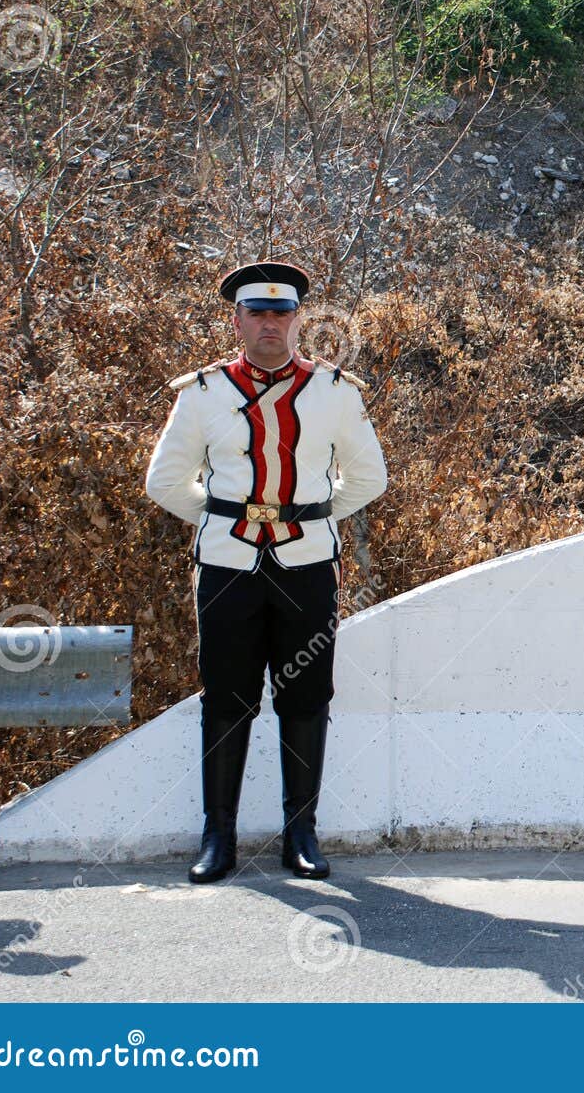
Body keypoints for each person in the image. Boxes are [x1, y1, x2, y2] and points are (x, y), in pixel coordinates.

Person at [145, 262, 387, 883]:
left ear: (299, 319)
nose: (270, 324)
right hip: (228, 565)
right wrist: (225, 519)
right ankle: (217, 837)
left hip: (306, 565)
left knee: (307, 697)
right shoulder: (202, 394)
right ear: (238, 320)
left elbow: (369, 478)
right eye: (258, 313)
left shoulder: (336, 392)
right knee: (226, 695)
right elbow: (165, 481)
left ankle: (300, 834)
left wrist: (308, 516)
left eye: (282, 314)